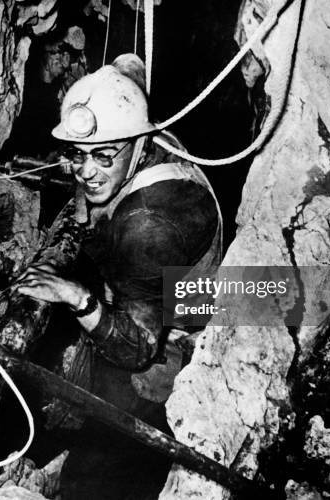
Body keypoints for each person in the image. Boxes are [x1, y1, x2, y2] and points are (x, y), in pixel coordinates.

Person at [14, 54, 222, 499]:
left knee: (103, 453)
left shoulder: (148, 226)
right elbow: (129, 69)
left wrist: (76, 296)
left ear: (138, 145)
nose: (87, 171)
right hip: (182, 285)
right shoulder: (146, 134)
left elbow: (137, 349)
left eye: (104, 157)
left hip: (175, 332)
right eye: (78, 155)